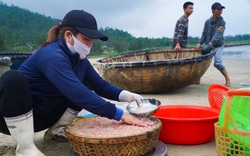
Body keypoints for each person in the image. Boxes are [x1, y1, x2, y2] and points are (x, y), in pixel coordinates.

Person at [0, 10, 153, 156]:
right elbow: (78, 93)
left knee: (86, 84)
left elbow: (100, 86)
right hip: (12, 118)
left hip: (43, 117)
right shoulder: (52, 55)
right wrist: (121, 115)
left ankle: (56, 131)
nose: (89, 45)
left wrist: (126, 95)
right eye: (86, 39)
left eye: (91, 41)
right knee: (12, 78)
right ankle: (25, 148)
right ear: (68, 35)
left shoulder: (80, 61)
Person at [195, 2, 231, 87]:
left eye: (221, 9)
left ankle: (228, 80)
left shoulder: (222, 22)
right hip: (208, 45)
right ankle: (197, 78)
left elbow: (218, 34)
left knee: (218, 63)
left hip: (218, 46)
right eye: (218, 9)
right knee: (201, 61)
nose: (220, 11)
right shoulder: (207, 22)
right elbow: (204, 34)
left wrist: (211, 44)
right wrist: (199, 43)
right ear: (213, 11)